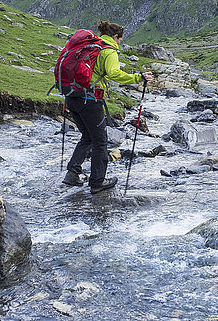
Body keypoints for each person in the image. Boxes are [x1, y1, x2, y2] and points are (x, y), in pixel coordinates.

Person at [62, 20, 153, 194]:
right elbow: (114, 73)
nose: (120, 42)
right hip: (90, 99)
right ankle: (97, 182)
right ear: (115, 36)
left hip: (72, 96)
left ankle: (72, 173)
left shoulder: (91, 46)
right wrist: (138, 78)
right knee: (100, 141)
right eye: (120, 39)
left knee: (88, 136)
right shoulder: (109, 51)